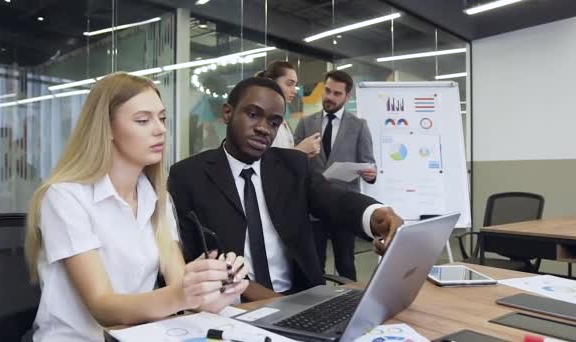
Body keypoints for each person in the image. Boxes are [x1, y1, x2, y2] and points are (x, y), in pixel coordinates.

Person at [24, 73, 249, 342]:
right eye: (143, 120)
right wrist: (182, 294)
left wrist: (216, 283)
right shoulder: (64, 197)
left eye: (162, 118)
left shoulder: (157, 197)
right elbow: (102, 306)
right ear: (106, 128)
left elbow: (181, 292)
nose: (160, 129)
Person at [168, 77, 403, 301]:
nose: (263, 128)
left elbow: (335, 200)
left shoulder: (293, 165)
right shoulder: (189, 176)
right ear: (228, 113)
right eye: (252, 115)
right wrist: (256, 294)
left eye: (273, 122)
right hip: (232, 303)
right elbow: (194, 255)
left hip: (300, 298)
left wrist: (375, 215)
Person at [294, 70, 377, 281]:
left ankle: (351, 305)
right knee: (314, 262)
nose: (329, 97)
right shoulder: (305, 123)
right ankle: (317, 307)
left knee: (346, 263)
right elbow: (292, 163)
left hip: (344, 205)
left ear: (347, 96)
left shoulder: (359, 126)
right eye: (327, 91)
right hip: (313, 206)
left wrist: (370, 174)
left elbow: (369, 162)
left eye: (337, 94)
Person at [256, 61, 321, 158]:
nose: (294, 91)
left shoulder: (282, 121)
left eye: (295, 85)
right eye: (289, 84)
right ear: (271, 83)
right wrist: (300, 150)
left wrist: (303, 153)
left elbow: (282, 160)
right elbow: (260, 161)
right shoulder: (260, 120)